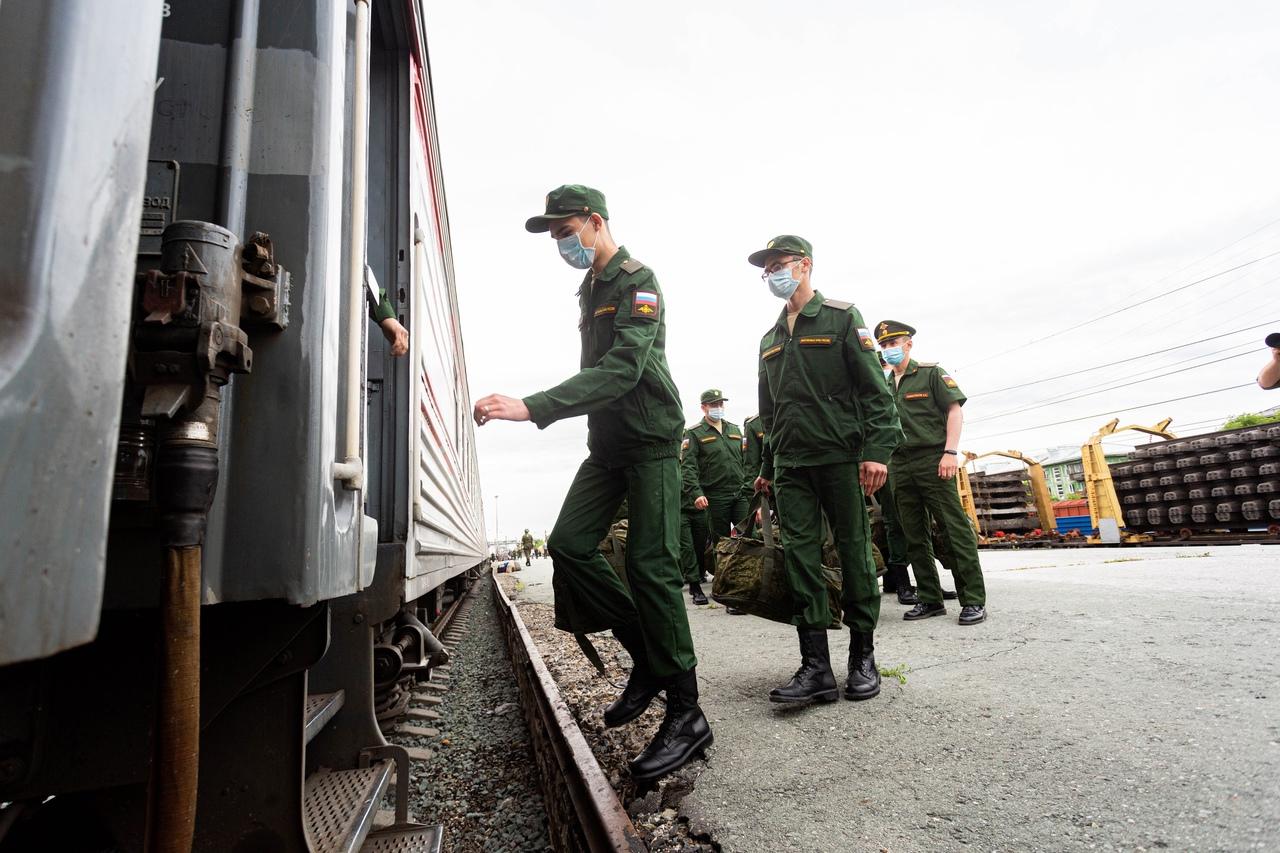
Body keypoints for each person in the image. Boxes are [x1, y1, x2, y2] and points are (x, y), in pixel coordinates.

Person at [472, 185, 710, 782]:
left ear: (596, 222)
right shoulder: (591, 288)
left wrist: (534, 405)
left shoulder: (637, 279)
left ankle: (687, 713)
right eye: (553, 235)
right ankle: (648, 661)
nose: (560, 242)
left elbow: (625, 368)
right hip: (607, 446)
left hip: (651, 439)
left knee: (653, 564)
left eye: (565, 230)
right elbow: (598, 375)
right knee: (570, 545)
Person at [749, 235, 902, 705]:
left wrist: (875, 451)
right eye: (767, 267)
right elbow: (768, 412)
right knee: (800, 558)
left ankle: (862, 657)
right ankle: (816, 666)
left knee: (855, 552)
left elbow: (875, 391)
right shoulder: (770, 338)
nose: (773, 273)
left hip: (840, 457)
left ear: (805, 266)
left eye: (780, 264)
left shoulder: (841, 317)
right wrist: (768, 467)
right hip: (792, 464)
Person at [877, 320, 987, 625]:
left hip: (933, 459)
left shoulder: (930, 373)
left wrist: (950, 452)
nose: (889, 350)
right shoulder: (884, 384)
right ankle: (930, 598)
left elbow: (955, 410)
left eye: (893, 343)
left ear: (908, 344)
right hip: (899, 464)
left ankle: (973, 599)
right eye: (884, 346)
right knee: (913, 534)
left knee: (954, 529)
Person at [681, 389, 747, 582]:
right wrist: (696, 493)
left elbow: (746, 461)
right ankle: (727, 586)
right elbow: (688, 468)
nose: (718, 408)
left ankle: (745, 582)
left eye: (720, 404)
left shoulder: (734, 430)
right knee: (723, 543)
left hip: (740, 493)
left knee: (747, 537)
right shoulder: (694, 434)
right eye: (713, 404)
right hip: (715, 496)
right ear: (704, 408)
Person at [678, 433, 709, 605]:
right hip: (680, 509)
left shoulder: (697, 459)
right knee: (687, 548)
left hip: (700, 509)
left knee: (699, 546)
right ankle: (695, 586)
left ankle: (698, 575)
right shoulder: (672, 460)